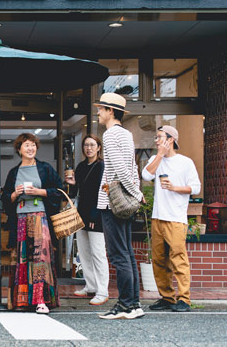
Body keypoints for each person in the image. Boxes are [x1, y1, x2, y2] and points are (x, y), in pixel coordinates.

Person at [94, 93, 145, 320]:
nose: (98, 113)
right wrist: (136, 192)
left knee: (117, 255)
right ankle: (133, 304)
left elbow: (120, 168)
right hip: (125, 202)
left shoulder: (111, 134)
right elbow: (132, 168)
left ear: (110, 111)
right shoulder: (126, 134)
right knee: (127, 254)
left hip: (112, 202)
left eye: (101, 109)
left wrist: (137, 192)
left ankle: (125, 305)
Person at [142, 126, 201, 313]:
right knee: (159, 260)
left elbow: (196, 188)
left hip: (176, 218)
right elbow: (145, 175)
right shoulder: (155, 159)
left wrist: (175, 188)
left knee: (178, 259)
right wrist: (159, 155)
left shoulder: (185, 162)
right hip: (157, 217)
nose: (157, 140)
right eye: (156, 137)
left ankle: (184, 299)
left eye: (160, 137)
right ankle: (167, 297)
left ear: (171, 140)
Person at [3, 133, 62, 314]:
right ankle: (22, 301)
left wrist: (39, 191)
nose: (30, 148)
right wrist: (14, 194)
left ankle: (41, 300)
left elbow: (59, 190)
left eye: (33, 145)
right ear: (19, 149)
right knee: (22, 259)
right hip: (20, 218)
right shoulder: (14, 172)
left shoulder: (45, 168)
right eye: (26, 145)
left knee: (40, 259)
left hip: (40, 217)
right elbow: (6, 198)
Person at [65, 134, 109, 306]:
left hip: (96, 215)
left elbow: (102, 193)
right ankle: (90, 286)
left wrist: (94, 216)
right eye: (86, 145)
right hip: (81, 213)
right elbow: (77, 193)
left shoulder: (102, 166)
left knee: (98, 253)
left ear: (98, 147)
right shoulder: (82, 166)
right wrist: (71, 183)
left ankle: (102, 290)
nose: (89, 148)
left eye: (92, 145)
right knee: (84, 252)